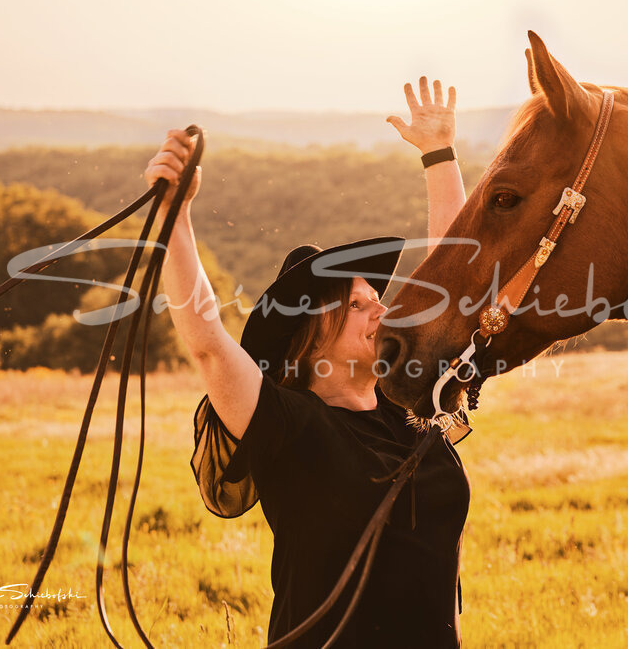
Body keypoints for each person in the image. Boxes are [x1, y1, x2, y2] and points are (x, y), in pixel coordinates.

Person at [144, 78, 472, 648]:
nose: (381, 312)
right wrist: (175, 214)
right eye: (355, 305)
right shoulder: (288, 423)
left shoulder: (413, 410)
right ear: (310, 340)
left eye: (378, 300)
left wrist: (439, 154)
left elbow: (461, 286)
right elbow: (206, 341)